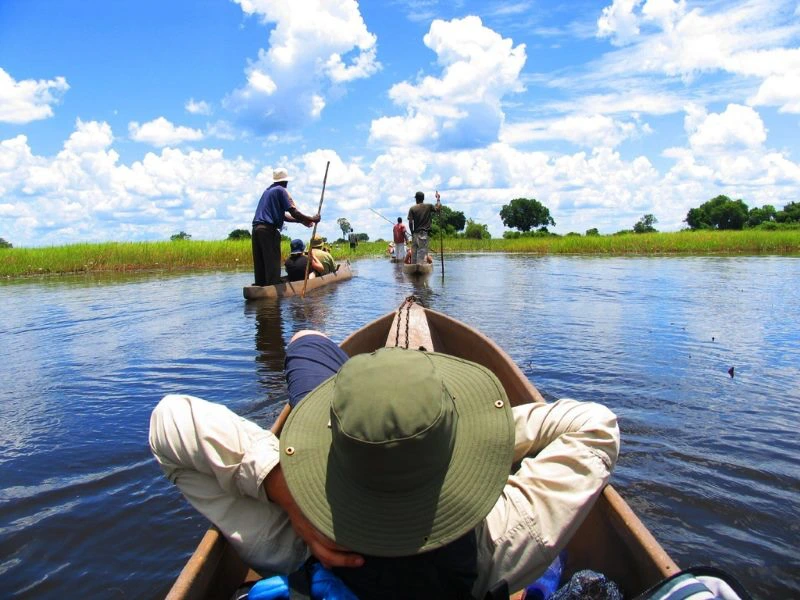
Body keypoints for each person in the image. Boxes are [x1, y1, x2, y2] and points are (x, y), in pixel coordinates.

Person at [149, 333, 620, 599]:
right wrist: (477, 432)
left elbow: (170, 422)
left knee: (307, 342)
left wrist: (284, 491)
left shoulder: (290, 541)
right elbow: (595, 425)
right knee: (311, 348)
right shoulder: (497, 547)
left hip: (311, 537)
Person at [252, 168, 320, 286]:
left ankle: (260, 286)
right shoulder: (281, 190)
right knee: (272, 263)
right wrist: (311, 218)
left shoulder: (268, 191)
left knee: (260, 263)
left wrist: (301, 222)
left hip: (256, 229)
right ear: (285, 181)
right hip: (269, 230)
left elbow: (283, 216)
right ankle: (272, 290)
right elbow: (294, 212)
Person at [407, 190, 441, 264]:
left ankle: (414, 270)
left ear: (417, 199)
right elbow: (438, 209)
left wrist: (412, 232)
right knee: (422, 258)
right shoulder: (429, 206)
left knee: (414, 257)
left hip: (415, 234)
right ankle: (421, 270)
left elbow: (410, 222)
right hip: (423, 235)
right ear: (423, 199)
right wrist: (438, 199)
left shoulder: (412, 208)